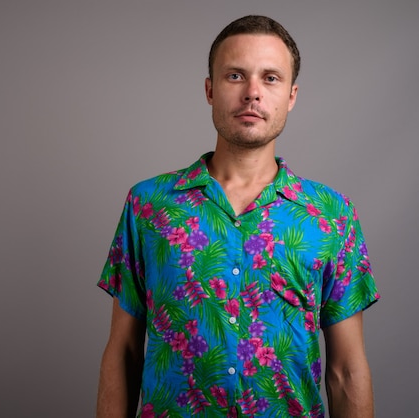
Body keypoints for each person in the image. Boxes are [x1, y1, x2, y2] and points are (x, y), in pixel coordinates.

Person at [96, 15, 379, 418]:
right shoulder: (149, 205)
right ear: (210, 90)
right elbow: (123, 353)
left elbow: (346, 371)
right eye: (235, 76)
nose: (252, 93)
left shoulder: (332, 215)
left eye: (270, 78)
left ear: (292, 95)